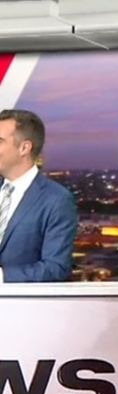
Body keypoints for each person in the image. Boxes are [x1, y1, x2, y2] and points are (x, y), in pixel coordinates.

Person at [0, 109, 77, 282]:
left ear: (24, 148)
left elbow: (56, 268)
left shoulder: (56, 200)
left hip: (17, 299)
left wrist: (2, 276)